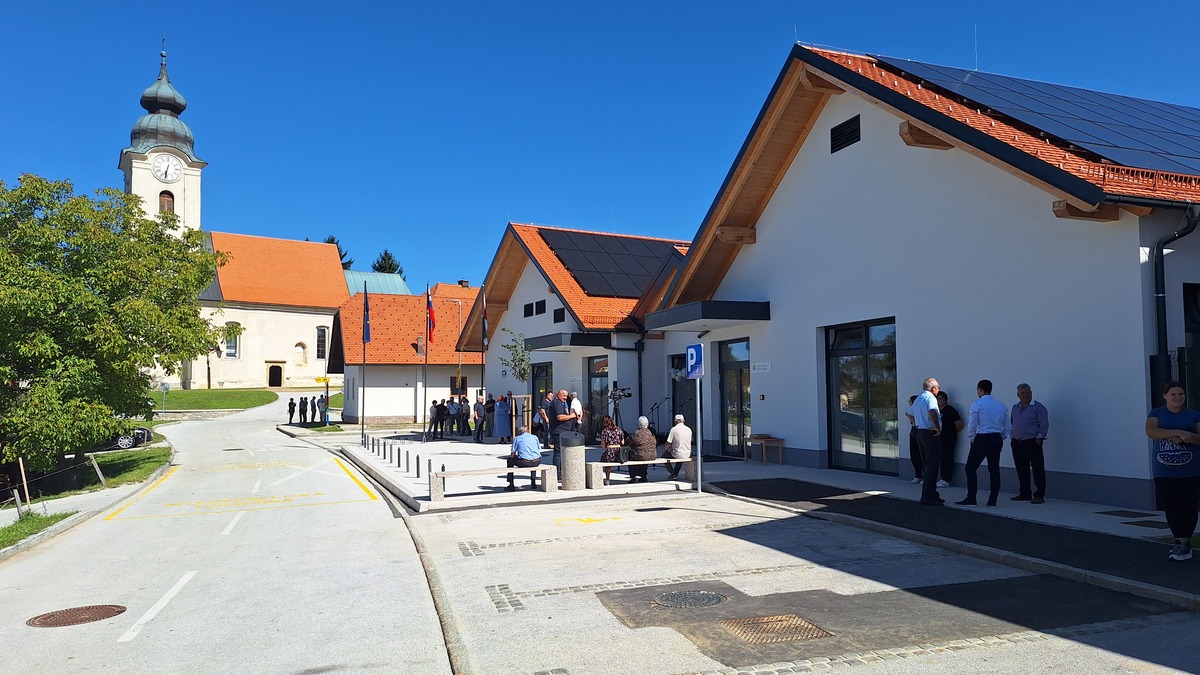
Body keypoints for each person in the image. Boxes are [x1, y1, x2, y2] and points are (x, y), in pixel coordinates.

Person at [1145, 381, 1200, 561]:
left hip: (1191, 470)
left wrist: (1187, 438)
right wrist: (1178, 432)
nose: (1177, 397)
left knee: (1189, 506)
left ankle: (1185, 543)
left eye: (1180, 394)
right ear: (1165, 396)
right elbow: (1152, 431)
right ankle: (1180, 541)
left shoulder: (1194, 415)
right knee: (1172, 506)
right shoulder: (1156, 413)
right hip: (1164, 471)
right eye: (1173, 394)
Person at [956, 379, 1010, 507]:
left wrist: (972, 438)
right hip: (996, 437)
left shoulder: (977, 404)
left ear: (980, 389)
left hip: (982, 438)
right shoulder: (1001, 406)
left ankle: (971, 498)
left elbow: (972, 424)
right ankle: (992, 500)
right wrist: (1001, 436)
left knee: (970, 468)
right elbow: (1007, 426)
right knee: (994, 470)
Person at [905, 378, 943, 506]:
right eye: (937, 387)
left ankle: (933, 494)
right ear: (933, 388)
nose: (938, 390)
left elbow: (908, 413)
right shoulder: (930, 398)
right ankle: (928, 496)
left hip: (920, 432)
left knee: (927, 464)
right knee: (932, 465)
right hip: (929, 432)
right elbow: (932, 411)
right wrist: (937, 428)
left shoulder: (919, 398)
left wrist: (917, 421)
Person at [1010, 383, 1049, 503]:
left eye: (1027, 393)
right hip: (1017, 443)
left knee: (1037, 469)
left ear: (1031, 393)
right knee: (1021, 469)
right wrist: (1012, 437)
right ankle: (1025, 493)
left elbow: (1044, 424)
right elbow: (1012, 422)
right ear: (1018, 395)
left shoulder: (1038, 407)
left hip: (1032, 442)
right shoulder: (1015, 407)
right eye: (1022, 393)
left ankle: (1039, 495)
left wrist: (1039, 438)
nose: (1025, 395)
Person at [936, 390, 964, 487]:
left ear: (945, 399)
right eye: (937, 399)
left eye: (941, 398)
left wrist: (951, 432)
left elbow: (959, 424)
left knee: (947, 457)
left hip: (949, 438)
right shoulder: (936, 410)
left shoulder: (951, 410)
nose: (939, 400)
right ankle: (941, 477)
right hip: (938, 438)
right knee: (940, 457)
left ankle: (946, 479)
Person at [505, 425, 543, 491]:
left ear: (519, 432)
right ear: (528, 430)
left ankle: (511, 484)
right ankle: (533, 482)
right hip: (537, 461)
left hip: (525, 462)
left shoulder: (517, 438)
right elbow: (538, 449)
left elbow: (512, 454)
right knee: (532, 457)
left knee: (510, 460)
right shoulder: (534, 437)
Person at [549, 389, 579, 469]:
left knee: (562, 452)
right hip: (559, 432)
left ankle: (561, 470)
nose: (565, 397)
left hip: (562, 431)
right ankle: (558, 472)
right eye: (564, 395)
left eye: (566, 396)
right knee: (558, 453)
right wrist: (572, 416)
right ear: (558, 395)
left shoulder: (560, 403)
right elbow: (560, 417)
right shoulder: (557, 403)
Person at [626, 416, 658, 483]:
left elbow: (629, 443)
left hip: (640, 455)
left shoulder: (636, 433)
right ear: (647, 424)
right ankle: (643, 476)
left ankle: (633, 477)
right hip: (652, 455)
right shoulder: (651, 433)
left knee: (632, 455)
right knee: (644, 453)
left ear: (639, 424)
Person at [662, 414, 693, 480]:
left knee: (663, 457)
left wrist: (665, 450)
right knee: (680, 459)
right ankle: (675, 474)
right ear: (683, 421)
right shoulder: (689, 429)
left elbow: (668, 443)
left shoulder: (674, 429)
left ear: (675, 421)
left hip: (678, 453)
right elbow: (691, 440)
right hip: (688, 453)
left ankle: (673, 474)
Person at [597, 415, 625, 486]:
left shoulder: (605, 431)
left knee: (604, 459)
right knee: (606, 458)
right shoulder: (618, 430)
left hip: (610, 452)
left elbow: (603, 445)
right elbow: (622, 442)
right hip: (619, 453)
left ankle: (607, 479)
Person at [904, 395, 922, 483]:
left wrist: (908, 415)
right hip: (914, 433)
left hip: (921, 432)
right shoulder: (911, 410)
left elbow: (915, 421)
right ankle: (918, 475)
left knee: (921, 455)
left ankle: (925, 476)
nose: (909, 403)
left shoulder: (919, 410)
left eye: (910, 401)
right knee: (914, 455)